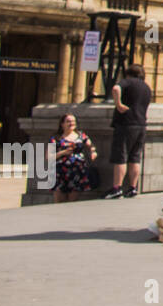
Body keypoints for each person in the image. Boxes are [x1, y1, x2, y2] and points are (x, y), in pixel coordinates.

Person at [105, 64, 151, 198]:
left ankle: (117, 188)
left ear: (128, 73)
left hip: (126, 123)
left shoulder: (128, 81)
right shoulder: (146, 87)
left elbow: (115, 88)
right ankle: (132, 188)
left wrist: (118, 104)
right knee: (135, 157)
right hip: (141, 124)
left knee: (121, 156)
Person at [49, 113, 97, 203]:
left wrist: (93, 152)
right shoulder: (56, 138)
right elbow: (49, 157)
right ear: (62, 124)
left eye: (73, 121)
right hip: (60, 172)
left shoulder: (81, 135)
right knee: (59, 200)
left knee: (73, 201)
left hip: (77, 171)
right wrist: (63, 152)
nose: (71, 123)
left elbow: (91, 145)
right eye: (68, 121)